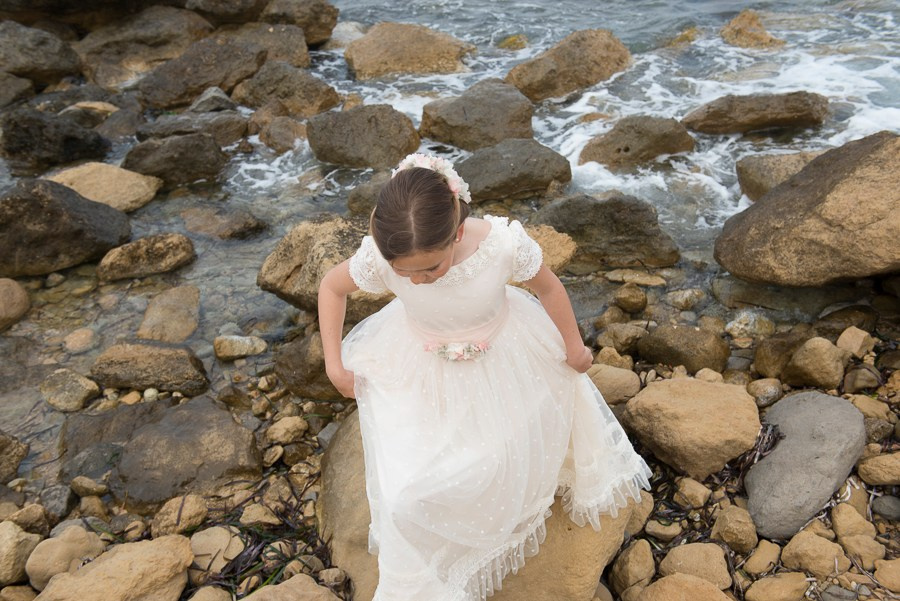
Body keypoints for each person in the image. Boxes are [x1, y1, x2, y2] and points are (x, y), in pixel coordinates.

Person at [317, 153, 651, 601]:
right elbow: (332, 288)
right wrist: (333, 362)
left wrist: (574, 346)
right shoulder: (381, 254)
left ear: (456, 233)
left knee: (496, 454)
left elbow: (548, 287)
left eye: (430, 269)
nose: (416, 282)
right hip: (419, 362)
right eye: (404, 273)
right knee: (408, 490)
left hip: (504, 356)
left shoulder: (500, 246)